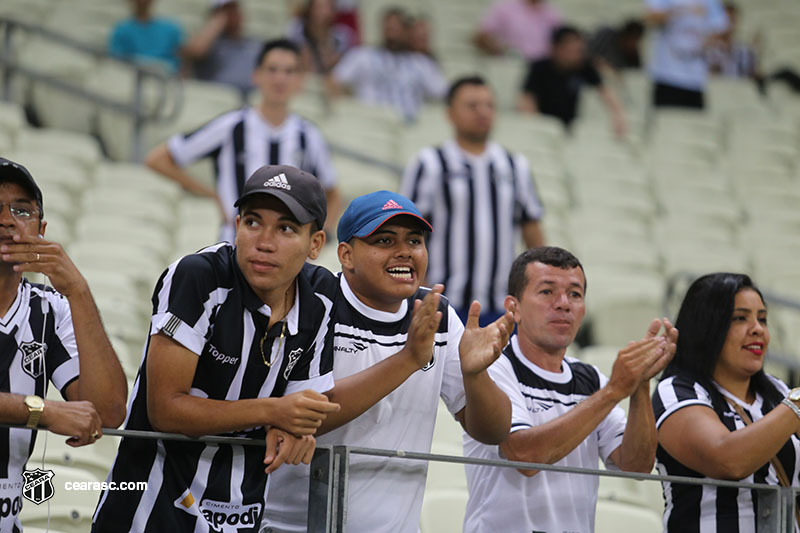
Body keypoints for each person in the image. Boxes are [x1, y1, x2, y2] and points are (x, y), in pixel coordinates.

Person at [92, 165, 341, 532]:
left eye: (286, 228)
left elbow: (303, 408)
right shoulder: (197, 276)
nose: (265, 241)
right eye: (253, 222)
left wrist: (296, 427)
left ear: (315, 244)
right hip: (148, 510)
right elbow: (165, 410)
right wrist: (276, 412)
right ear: (237, 224)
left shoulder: (321, 295)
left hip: (241, 513)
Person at [263, 190, 513, 532]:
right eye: (384, 239)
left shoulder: (436, 312)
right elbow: (297, 416)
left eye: (415, 240)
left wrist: (475, 375)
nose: (405, 252)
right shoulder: (311, 300)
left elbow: (493, 432)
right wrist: (409, 359)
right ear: (346, 255)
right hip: (288, 526)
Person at [463, 246, 678, 533]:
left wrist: (639, 386)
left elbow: (636, 465)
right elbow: (524, 456)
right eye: (547, 292)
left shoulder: (589, 377)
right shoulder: (494, 366)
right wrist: (614, 390)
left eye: (575, 294)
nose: (564, 304)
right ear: (514, 308)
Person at [0, 158, 128, 531]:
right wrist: (43, 411)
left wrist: (78, 291)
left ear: (40, 230)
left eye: (20, 210)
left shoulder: (50, 308)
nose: (7, 220)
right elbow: (56, 414)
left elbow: (107, 412)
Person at [146, 38, 340, 244]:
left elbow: (333, 193)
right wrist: (212, 195)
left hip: (287, 255)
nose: (280, 79)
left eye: (289, 71)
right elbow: (158, 159)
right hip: (233, 245)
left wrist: (322, 232)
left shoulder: (308, 135)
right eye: (272, 69)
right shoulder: (230, 126)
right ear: (256, 75)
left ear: (300, 81)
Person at [653, 273, 800, 531]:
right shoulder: (677, 390)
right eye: (740, 318)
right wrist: (796, 404)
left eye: (762, 319)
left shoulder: (777, 391)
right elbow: (728, 460)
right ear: (707, 326)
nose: (758, 329)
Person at [401, 76, 545, 326]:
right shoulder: (429, 163)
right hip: (443, 303)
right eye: (472, 105)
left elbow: (532, 229)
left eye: (489, 105)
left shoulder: (515, 165)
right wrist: (418, 291)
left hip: (501, 306)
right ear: (450, 113)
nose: (482, 112)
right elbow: (409, 230)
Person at [328, 7, 447, 121]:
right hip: (368, 124)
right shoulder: (363, 55)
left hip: (407, 127)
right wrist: (343, 110)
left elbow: (443, 93)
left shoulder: (420, 63)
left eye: (397, 28)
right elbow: (334, 80)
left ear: (407, 31)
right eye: (389, 27)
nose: (393, 32)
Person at [518, 26, 628, 137]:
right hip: (545, 124)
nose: (576, 55)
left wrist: (618, 115)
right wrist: (536, 125)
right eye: (570, 51)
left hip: (571, 127)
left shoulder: (584, 67)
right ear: (556, 48)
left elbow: (605, 91)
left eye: (579, 51)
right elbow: (527, 98)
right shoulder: (540, 67)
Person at [645, 0, 729, 109]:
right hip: (666, 76)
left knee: (694, 124)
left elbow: (722, 29)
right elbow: (650, 18)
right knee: (665, 122)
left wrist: (706, 41)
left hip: (696, 80)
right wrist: (682, 11)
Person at [183, 0, 263, 95]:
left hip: (253, 100)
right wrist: (217, 22)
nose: (233, 15)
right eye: (226, 11)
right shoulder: (211, 44)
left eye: (235, 10)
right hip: (217, 100)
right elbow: (194, 51)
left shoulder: (255, 43)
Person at [108, 0, 185, 73]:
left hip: (166, 80)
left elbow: (180, 63)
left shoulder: (171, 29)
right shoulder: (121, 30)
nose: (142, 1)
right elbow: (117, 63)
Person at [473, 0, 562, 61]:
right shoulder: (505, 7)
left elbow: (562, 41)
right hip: (510, 66)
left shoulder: (552, 12)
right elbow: (480, 37)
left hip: (540, 68)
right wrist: (499, 51)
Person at [287, 0, 357, 74]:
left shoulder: (342, 35)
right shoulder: (297, 29)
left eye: (328, 7)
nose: (324, 12)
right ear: (310, 9)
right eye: (319, 7)